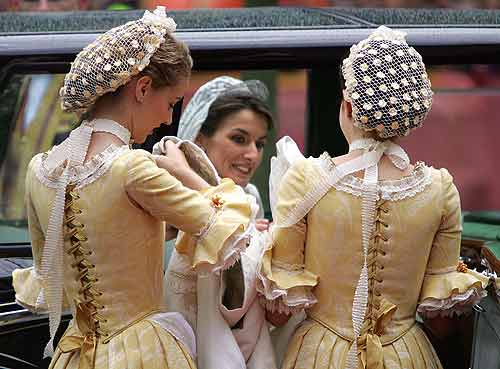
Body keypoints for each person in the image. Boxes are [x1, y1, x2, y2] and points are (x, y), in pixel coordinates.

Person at [12, 7, 256, 369]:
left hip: (76, 355)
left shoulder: (41, 169)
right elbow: (223, 226)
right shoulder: (131, 166)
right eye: (171, 102)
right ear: (142, 88)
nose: (167, 118)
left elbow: (58, 273)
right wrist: (185, 172)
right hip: (141, 352)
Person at [257, 26, 490, 369]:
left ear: (349, 108)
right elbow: (442, 324)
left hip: (322, 354)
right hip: (406, 355)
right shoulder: (440, 190)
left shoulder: (307, 179)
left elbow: (278, 315)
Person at [156, 76, 277, 369]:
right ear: (198, 138)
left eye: (259, 144)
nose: (252, 155)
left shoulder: (249, 197)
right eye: (239, 139)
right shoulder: (162, 192)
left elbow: (239, 303)